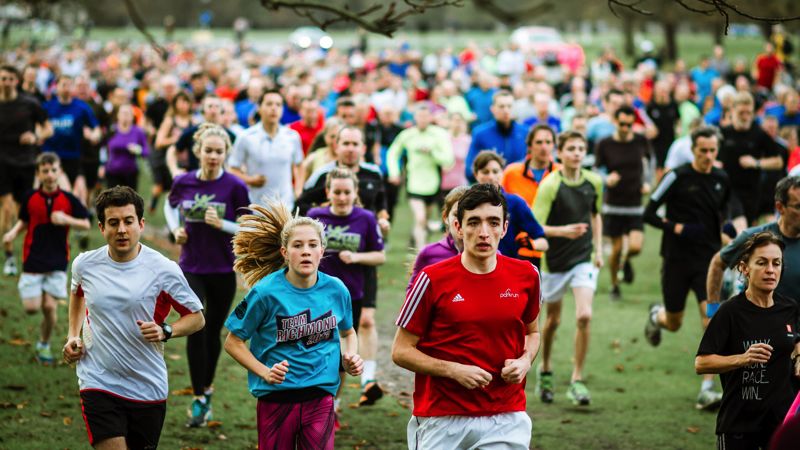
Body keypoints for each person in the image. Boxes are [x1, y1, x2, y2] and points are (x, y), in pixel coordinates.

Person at [392, 183, 541, 449]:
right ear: (458, 227)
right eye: (474, 222)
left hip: (506, 417)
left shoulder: (527, 275)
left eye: (493, 223)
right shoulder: (431, 279)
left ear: (505, 228)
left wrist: (525, 360)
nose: (484, 232)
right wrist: (453, 370)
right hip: (442, 418)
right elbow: (401, 351)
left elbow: (532, 332)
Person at [63, 186, 205, 449]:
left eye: (128, 221)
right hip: (98, 380)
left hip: (146, 385)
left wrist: (166, 330)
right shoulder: (85, 264)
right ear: (101, 227)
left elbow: (197, 318)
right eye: (113, 223)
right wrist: (73, 335)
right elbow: (77, 294)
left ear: (141, 223)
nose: (121, 230)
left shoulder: (163, 269)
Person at [223, 199, 363, 450]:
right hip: (276, 398)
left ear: (322, 250)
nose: (306, 251)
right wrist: (264, 371)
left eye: (313, 245)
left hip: (321, 396)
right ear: (284, 252)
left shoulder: (337, 289)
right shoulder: (265, 293)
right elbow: (233, 342)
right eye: (297, 246)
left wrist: (350, 355)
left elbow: (348, 332)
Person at [164, 123, 250, 427]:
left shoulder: (235, 186)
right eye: (208, 150)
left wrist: (223, 224)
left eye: (219, 151)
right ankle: (199, 396)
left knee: (212, 331)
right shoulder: (184, 181)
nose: (213, 156)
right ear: (198, 151)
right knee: (195, 327)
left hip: (223, 269)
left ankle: (207, 389)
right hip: (191, 267)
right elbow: (170, 203)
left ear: (226, 153)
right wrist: (176, 228)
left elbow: (248, 227)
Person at [642, 127, 731, 410]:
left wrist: (731, 234)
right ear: (693, 150)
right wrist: (678, 228)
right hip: (676, 259)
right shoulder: (677, 176)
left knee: (711, 320)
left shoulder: (721, 178)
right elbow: (649, 213)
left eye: (712, 151)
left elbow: (726, 213)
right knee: (675, 322)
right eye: (702, 150)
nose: (707, 156)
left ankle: (707, 388)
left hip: (708, 262)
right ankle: (657, 317)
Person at [696, 232, 800, 450]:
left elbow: (796, 339)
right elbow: (702, 363)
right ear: (744, 268)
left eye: (776, 263)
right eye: (761, 263)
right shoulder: (730, 312)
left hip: (780, 424)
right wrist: (742, 359)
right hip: (739, 426)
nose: (770, 270)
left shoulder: (789, 309)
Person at [532, 130, 604, 405]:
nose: (576, 153)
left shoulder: (594, 182)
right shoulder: (550, 185)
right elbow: (536, 227)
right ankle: (546, 368)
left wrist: (597, 249)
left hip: (583, 258)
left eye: (580, 148)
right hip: (555, 261)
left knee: (584, 315)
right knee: (553, 320)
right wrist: (564, 231)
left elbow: (596, 215)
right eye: (570, 148)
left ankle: (577, 379)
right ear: (559, 153)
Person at [308, 168, 386, 407]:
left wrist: (356, 257)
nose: (342, 197)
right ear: (328, 192)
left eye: (347, 192)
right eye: (337, 192)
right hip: (316, 296)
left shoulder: (365, 218)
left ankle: (333, 404)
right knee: (316, 352)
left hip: (351, 296)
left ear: (355, 193)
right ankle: (314, 401)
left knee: (341, 356)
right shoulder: (315, 216)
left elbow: (380, 256)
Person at [2, 153, 89, 365]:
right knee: (32, 307)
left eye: (53, 170)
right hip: (33, 258)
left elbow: (86, 223)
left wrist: (65, 219)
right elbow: (24, 220)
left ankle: (44, 343)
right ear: (38, 173)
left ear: (59, 172)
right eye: (45, 171)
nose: (50, 175)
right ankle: (40, 295)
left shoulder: (68, 199)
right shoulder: (30, 197)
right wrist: (13, 233)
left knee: (50, 307)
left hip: (58, 260)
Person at [707, 176, 800, 307]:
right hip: (759, 324)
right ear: (780, 207)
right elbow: (718, 263)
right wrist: (713, 309)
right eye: (798, 207)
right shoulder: (754, 237)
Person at [594, 105, 652, 300]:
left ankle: (626, 262)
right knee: (616, 249)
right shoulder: (605, 144)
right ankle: (614, 285)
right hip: (614, 204)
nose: (626, 128)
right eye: (622, 124)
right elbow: (596, 169)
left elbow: (650, 162)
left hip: (635, 202)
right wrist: (606, 178)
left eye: (630, 124)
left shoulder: (641, 141)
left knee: (635, 246)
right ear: (615, 122)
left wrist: (647, 182)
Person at [0, 65, 51, 276]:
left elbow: (48, 128)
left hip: (26, 163)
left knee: (24, 213)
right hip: (2, 164)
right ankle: (10, 257)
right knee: (7, 208)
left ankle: (25, 250)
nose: (6, 82)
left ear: (17, 81)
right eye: (3, 78)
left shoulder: (30, 104)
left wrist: (36, 137)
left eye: (10, 78)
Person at [386, 102, 454, 250]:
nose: (422, 119)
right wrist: (394, 172)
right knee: (420, 218)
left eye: (425, 116)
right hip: (414, 183)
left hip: (433, 184)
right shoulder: (407, 135)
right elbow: (393, 152)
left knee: (425, 220)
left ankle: (418, 242)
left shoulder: (439, 134)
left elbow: (448, 159)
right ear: (415, 117)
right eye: (419, 116)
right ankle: (421, 252)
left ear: (430, 117)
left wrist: (432, 152)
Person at [229, 90, 304, 209]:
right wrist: (250, 180)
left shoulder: (292, 136)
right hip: (256, 206)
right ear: (259, 108)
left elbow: (299, 164)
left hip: (285, 206)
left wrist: (298, 189)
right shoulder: (246, 137)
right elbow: (232, 168)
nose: (274, 108)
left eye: (278, 105)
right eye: (269, 104)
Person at [719, 92, 783, 230]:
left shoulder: (759, 133)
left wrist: (756, 163)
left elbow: (778, 161)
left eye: (749, 112)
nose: (745, 116)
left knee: (748, 230)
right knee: (740, 226)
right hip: (730, 189)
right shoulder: (723, 133)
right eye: (742, 112)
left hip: (753, 190)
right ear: (733, 110)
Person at [472, 150, 549, 266]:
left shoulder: (515, 203)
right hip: (474, 268)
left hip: (506, 269)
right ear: (476, 174)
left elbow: (543, 241)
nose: (491, 177)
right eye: (485, 172)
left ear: (502, 173)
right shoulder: (466, 203)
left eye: (495, 171)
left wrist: (531, 244)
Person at [42, 74, 101, 206]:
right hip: (51, 156)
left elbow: (95, 127)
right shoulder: (47, 107)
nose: (66, 88)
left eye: (69, 85)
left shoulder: (82, 107)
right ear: (56, 87)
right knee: (61, 189)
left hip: (73, 156)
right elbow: (38, 126)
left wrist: (95, 135)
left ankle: (70, 215)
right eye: (63, 85)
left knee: (72, 191)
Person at [407, 185, 469, 290]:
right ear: (445, 218)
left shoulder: (490, 254)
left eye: (468, 215)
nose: (461, 220)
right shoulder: (429, 253)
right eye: (456, 214)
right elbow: (413, 295)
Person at [465, 90, 528, 182]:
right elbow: (469, 170)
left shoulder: (525, 132)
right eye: (501, 106)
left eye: (509, 106)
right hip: (490, 189)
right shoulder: (480, 134)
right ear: (493, 109)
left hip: (518, 187)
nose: (506, 110)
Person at [152, 90, 193, 212]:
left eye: (186, 102)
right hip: (171, 161)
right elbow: (159, 142)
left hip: (188, 162)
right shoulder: (170, 121)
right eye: (180, 102)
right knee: (172, 193)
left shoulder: (193, 121)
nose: (183, 105)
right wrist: (175, 139)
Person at [104, 104, 149, 190]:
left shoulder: (138, 132)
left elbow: (146, 151)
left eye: (127, 114)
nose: (125, 116)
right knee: (114, 200)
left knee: (129, 201)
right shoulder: (112, 130)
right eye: (123, 113)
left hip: (130, 173)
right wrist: (102, 166)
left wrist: (137, 149)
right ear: (118, 115)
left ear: (132, 116)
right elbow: (105, 149)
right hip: (113, 172)